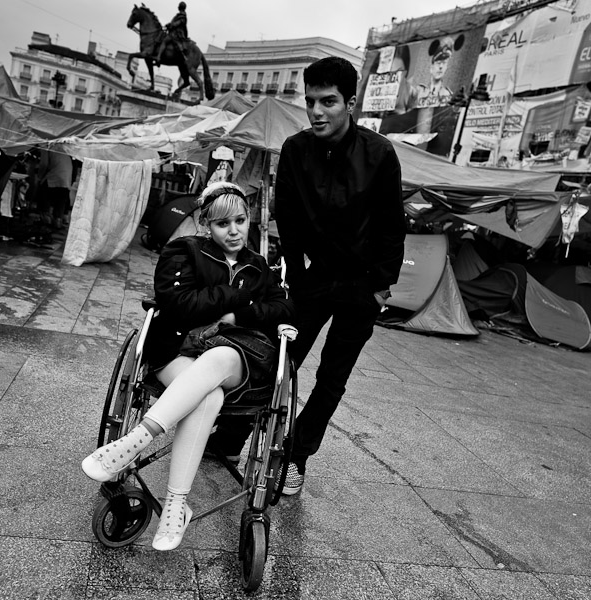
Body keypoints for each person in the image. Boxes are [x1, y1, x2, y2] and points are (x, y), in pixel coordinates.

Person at [207, 57, 405, 495]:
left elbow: (393, 224)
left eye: (328, 102)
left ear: (350, 103)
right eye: (311, 101)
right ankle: (230, 437)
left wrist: (381, 287)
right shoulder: (296, 149)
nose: (317, 111)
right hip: (312, 279)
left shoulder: (380, 154)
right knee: (278, 360)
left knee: (332, 378)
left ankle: (295, 456)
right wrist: (294, 278)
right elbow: (288, 219)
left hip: (363, 284)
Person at [80, 181, 294, 551]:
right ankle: (177, 505)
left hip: (236, 359)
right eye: (223, 223)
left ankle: (136, 440)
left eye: (240, 221)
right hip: (177, 351)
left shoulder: (258, 265)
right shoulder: (184, 250)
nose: (233, 231)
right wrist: (239, 300)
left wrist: (233, 314)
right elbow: (180, 305)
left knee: (218, 360)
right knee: (206, 396)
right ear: (206, 225)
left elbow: (283, 310)